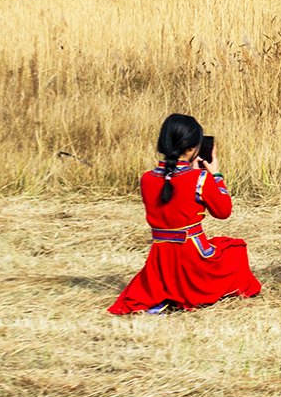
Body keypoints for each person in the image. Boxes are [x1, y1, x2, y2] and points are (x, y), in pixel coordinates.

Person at [108, 114, 261, 314]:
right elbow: (223, 212)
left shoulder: (147, 178)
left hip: (160, 263)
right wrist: (216, 176)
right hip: (192, 259)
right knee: (235, 248)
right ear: (192, 148)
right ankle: (193, 294)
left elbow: (173, 194)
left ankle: (164, 295)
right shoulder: (200, 179)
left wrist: (193, 172)